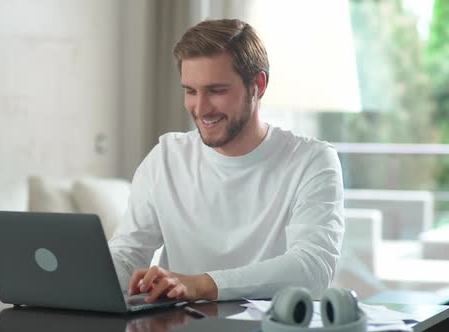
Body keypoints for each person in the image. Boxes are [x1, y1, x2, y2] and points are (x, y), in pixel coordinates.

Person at [109, 18, 344, 303]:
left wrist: (204, 284)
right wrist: (90, 275)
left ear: (257, 85)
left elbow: (313, 269)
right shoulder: (166, 157)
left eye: (216, 91)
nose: (201, 108)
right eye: (190, 91)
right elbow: (128, 254)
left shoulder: (312, 161)